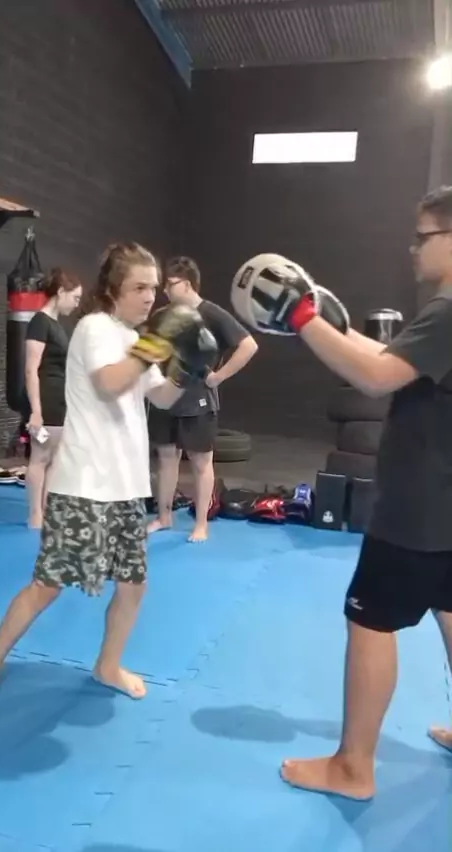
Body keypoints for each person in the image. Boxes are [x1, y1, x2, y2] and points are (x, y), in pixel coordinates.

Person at [232, 186, 452, 801]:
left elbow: (376, 378)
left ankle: (354, 768)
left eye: (423, 237)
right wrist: (338, 326)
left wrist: (302, 317)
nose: (412, 249)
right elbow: (396, 360)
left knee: (371, 620)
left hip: (420, 505)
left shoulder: (447, 309)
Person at [0, 242, 218, 716]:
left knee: (133, 585)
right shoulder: (95, 328)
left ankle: (107, 665)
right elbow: (109, 382)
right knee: (48, 585)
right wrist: (157, 344)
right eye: (139, 287)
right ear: (113, 289)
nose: (150, 297)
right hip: (85, 483)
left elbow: (162, 398)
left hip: (126, 486)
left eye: (153, 287)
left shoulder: (133, 337)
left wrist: (189, 369)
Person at [147, 256, 258, 542]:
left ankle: (201, 524)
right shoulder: (163, 314)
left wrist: (219, 377)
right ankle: (164, 516)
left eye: (170, 284)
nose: (165, 291)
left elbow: (248, 345)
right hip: (164, 396)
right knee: (166, 458)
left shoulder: (212, 314)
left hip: (197, 401)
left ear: (186, 284)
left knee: (200, 462)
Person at [24, 268, 83, 528]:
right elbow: (31, 369)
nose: (77, 303)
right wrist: (36, 411)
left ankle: (47, 509)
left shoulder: (57, 325)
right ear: (60, 292)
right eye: (75, 297)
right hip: (46, 398)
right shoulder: (40, 322)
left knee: (55, 459)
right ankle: (35, 514)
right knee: (40, 457)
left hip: (61, 399)